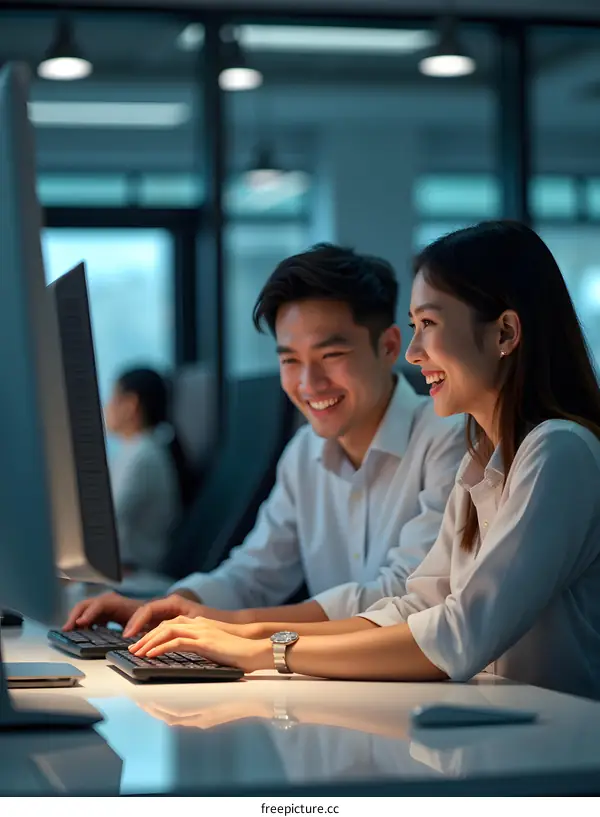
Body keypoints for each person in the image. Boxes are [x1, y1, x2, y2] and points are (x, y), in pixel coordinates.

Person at [127, 222, 600, 700]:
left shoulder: (557, 451)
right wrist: (238, 633)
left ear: (504, 331)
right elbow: (416, 604)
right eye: (415, 328)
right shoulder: (483, 458)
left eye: (430, 325)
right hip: (493, 723)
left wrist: (266, 649)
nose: (415, 354)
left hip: (557, 736)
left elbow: (458, 632)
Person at [64, 244, 464, 631]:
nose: (309, 384)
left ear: (389, 346)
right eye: (290, 360)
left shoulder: (448, 439)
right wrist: (165, 607)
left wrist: (233, 626)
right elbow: (252, 575)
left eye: (330, 356)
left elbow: (404, 596)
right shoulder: (304, 452)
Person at [104, 367, 195, 574]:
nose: (106, 407)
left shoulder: (144, 456)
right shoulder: (136, 450)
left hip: (135, 572)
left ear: (130, 404)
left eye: (112, 398)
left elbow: (106, 518)